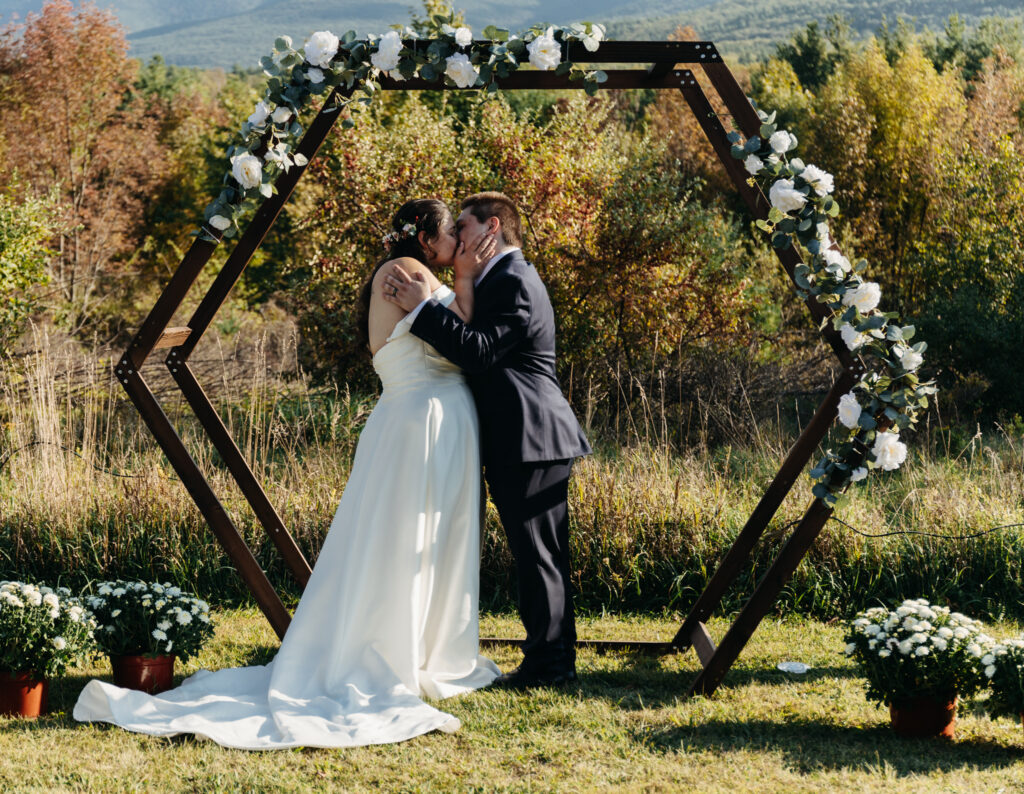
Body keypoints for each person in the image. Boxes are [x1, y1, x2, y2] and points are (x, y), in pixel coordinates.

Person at [73, 198, 504, 749]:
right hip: (421, 421)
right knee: (407, 540)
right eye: (452, 238)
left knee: (410, 539)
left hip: (419, 419)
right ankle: (406, 653)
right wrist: (467, 275)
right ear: (425, 240)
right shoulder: (410, 272)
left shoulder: (398, 269)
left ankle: (419, 647)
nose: (459, 247)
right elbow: (465, 337)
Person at [383, 191, 591, 689]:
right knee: (538, 554)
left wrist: (420, 309)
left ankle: (551, 664)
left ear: (490, 228)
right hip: (520, 437)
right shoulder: (494, 277)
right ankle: (552, 656)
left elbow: (478, 353)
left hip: (531, 436)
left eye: (464, 226)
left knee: (539, 556)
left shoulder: (514, 279)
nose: (456, 235)